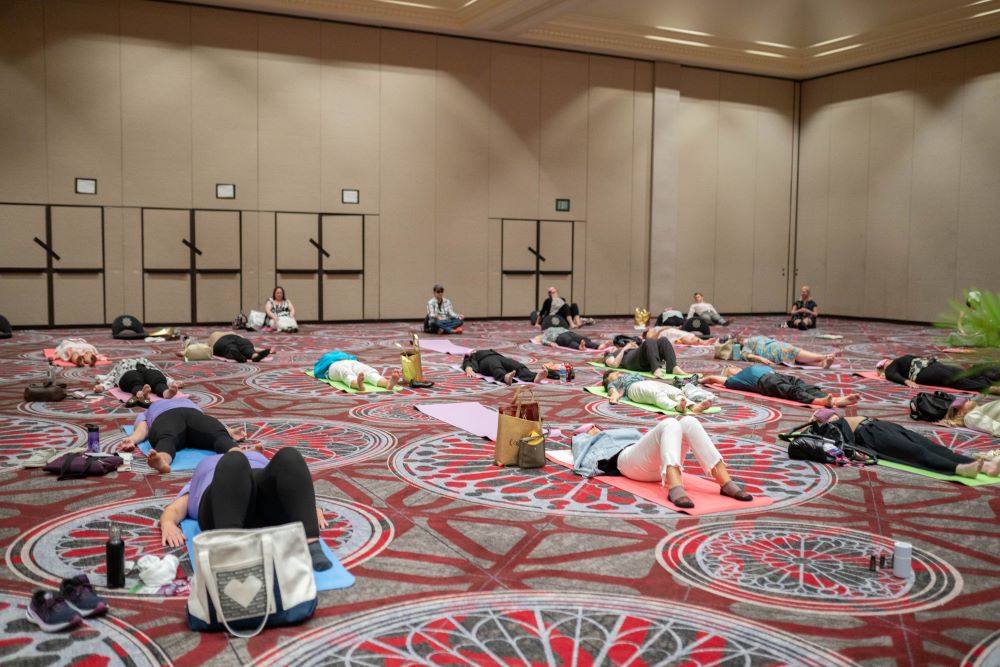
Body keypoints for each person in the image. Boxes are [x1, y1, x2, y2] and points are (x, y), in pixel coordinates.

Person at [158, 448, 332, 571]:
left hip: (264, 503)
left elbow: (289, 479)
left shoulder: (257, 457)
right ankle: (231, 549)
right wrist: (167, 523)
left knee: (289, 456)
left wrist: (306, 508)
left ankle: (311, 544)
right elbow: (175, 508)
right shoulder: (209, 467)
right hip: (222, 503)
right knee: (234, 461)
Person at [571, 420, 752, 509]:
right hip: (627, 463)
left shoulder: (615, 432)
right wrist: (587, 437)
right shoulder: (587, 441)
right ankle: (675, 484)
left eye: (594, 427)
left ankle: (724, 480)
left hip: (658, 462)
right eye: (588, 429)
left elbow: (644, 441)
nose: (593, 428)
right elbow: (583, 458)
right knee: (669, 422)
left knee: (688, 421)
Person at [811, 409, 998, 478]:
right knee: (915, 452)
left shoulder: (837, 421)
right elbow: (840, 445)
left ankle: (984, 467)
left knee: (932, 446)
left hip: (882, 426)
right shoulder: (830, 428)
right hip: (870, 435)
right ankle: (958, 468)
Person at [116, 396, 249, 474]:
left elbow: (209, 423)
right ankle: (161, 460)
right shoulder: (149, 409)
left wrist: (229, 431)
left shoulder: (188, 401)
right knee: (167, 437)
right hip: (166, 416)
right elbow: (143, 427)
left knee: (218, 434)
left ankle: (237, 454)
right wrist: (133, 439)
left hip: (193, 414)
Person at [701, 365, 860, 407]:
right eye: (729, 369)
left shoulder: (749, 369)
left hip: (776, 375)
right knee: (791, 391)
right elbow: (712, 379)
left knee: (802, 385)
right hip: (765, 382)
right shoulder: (735, 380)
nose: (733, 368)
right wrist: (700, 380)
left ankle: (836, 400)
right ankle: (818, 402)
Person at [603, 370, 714, 414]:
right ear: (608, 378)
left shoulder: (625, 375)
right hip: (633, 388)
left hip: (648, 382)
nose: (617, 372)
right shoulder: (613, 383)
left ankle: (693, 406)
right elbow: (613, 392)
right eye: (612, 373)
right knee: (657, 394)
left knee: (675, 391)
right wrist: (614, 398)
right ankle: (676, 407)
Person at [876, 356, 1000, 394]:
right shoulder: (891, 367)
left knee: (966, 374)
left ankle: (992, 379)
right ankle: (990, 388)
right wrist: (906, 381)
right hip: (924, 373)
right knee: (955, 380)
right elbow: (891, 374)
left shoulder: (897, 360)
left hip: (933, 366)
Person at [93, 358, 182, 405]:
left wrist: (172, 382)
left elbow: (157, 372)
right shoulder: (122, 363)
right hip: (128, 373)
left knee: (155, 377)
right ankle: (141, 393)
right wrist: (103, 386)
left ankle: (166, 392)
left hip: (146, 371)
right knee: (134, 379)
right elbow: (112, 376)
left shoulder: (144, 361)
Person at [313, 350, 400, 392]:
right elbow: (318, 371)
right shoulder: (326, 359)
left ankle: (387, 383)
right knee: (345, 372)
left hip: (351, 362)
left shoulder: (346, 356)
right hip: (332, 366)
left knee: (368, 371)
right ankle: (357, 384)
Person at [603, 338, 686, 377]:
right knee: (649, 341)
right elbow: (614, 364)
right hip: (631, 361)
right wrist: (625, 348)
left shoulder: (622, 349)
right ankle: (655, 368)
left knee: (663, 340)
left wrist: (636, 347)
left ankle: (673, 367)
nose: (613, 347)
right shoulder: (610, 355)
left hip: (639, 357)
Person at [737, 335, 836, 368]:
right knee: (793, 351)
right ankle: (822, 357)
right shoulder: (747, 344)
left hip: (774, 348)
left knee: (796, 357)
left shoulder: (752, 339)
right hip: (775, 349)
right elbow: (747, 355)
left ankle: (821, 363)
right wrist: (761, 358)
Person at [462, 349, 547, 385]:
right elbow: (466, 362)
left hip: (499, 357)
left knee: (515, 365)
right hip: (485, 361)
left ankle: (533, 377)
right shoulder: (472, 355)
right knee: (495, 366)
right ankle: (504, 377)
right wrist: (468, 367)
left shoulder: (490, 351)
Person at [533, 325, 612, 351]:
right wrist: (550, 343)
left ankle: (598, 346)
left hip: (567, 332)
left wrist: (549, 342)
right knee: (569, 341)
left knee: (581, 338)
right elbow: (543, 340)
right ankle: (580, 347)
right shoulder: (545, 333)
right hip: (561, 336)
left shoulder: (549, 330)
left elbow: (542, 340)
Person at [644, 325, 714, 346]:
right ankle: (700, 342)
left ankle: (703, 341)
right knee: (682, 336)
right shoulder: (649, 332)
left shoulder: (655, 328)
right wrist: (660, 330)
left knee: (686, 334)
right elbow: (651, 339)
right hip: (666, 334)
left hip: (669, 331)